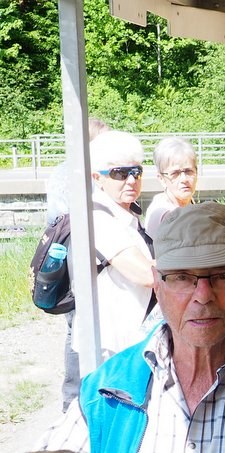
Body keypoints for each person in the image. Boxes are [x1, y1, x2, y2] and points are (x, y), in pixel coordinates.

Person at [38, 202, 225, 452]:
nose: (203, 296)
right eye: (181, 277)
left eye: (222, 276)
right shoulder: (108, 386)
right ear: (157, 283)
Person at [49, 117, 110, 412]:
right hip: (81, 260)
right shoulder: (80, 173)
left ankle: (74, 400)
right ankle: (75, 401)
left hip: (68, 258)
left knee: (76, 327)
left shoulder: (61, 171)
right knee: (80, 327)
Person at [77, 131, 155, 360]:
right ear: (97, 178)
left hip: (127, 339)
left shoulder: (125, 213)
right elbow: (146, 274)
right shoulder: (98, 219)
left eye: (136, 172)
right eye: (119, 173)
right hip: (108, 346)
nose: (131, 180)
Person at [145, 137, 197, 234]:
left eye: (188, 171)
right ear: (161, 179)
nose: (184, 179)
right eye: (175, 173)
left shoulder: (188, 204)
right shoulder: (163, 214)